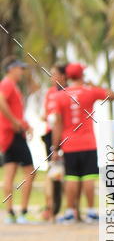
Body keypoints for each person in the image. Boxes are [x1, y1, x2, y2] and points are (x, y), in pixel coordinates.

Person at [52, 62, 114, 222]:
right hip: (88, 142)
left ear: (68, 76)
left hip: (69, 143)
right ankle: (90, 211)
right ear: (82, 75)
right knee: (88, 176)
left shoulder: (60, 95)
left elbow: (58, 123)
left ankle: (69, 212)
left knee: (71, 177)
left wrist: (55, 148)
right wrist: (93, 85)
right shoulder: (90, 91)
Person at [0, 56, 36, 224]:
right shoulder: (7, 84)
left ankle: (10, 214)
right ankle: (22, 212)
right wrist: (15, 122)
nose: (22, 72)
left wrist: (25, 124)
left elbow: (16, 112)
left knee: (10, 173)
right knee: (30, 171)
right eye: (20, 68)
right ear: (12, 69)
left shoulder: (13, 86)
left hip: (10, 135)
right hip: (13, 135)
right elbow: (0, 100)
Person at [40, 63, 67, 220]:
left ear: (63, 76)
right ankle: (49, 208)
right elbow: (47, 114)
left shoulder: (69, 92)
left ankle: (67, 208)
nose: (52, 78)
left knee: (66, 174)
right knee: (52, 173)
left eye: (54, 74)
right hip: (51, 137)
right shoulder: (50, 93)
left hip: (68, 137)